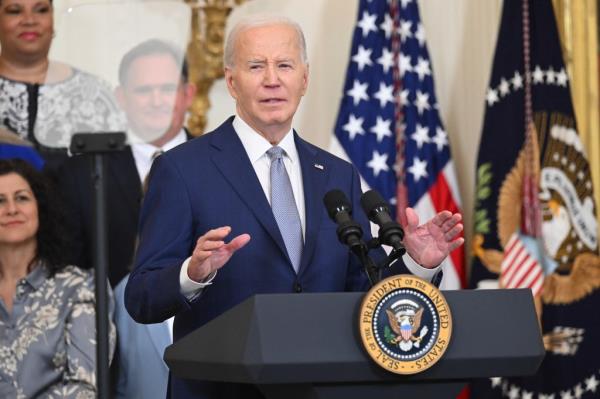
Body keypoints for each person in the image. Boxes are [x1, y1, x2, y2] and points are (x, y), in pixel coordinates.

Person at [125, 15, 463, 399]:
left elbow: (364, 295)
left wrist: (417, 264)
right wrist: (193, 273)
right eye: (256, 66)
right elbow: (141, 297)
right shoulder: (182, 169)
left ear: (304, 79)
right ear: (232, 82)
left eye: (284, 65)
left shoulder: (337, 175)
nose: (273, 79)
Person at [59, 38, 196, 287]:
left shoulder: (224, 162)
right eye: (144, 90)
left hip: (210, 321)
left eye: (167, 89)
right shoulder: (81, 173)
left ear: (188, 94)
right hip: (111, 320)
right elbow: (69, 271)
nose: (157, 101)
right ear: (120, 97)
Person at [0, 158, 115, 398]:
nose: (11, 209)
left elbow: (85, 387)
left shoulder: (80, 287)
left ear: (40, 207)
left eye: (21, 198)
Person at [0, 0, 124, 172]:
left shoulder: (93, 92)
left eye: (41, 10)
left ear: (53, 19)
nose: (29, 20)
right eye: (14, 11)